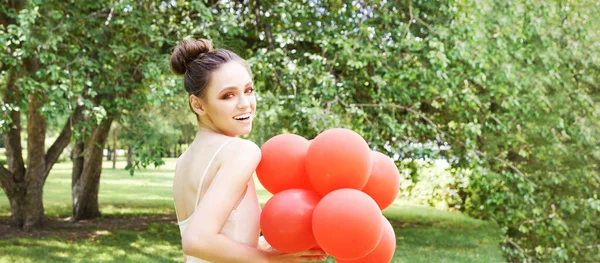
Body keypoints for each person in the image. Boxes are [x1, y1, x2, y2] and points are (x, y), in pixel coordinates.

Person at [170, 38, 328, 263]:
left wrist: (269, 247)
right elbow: (197, 241)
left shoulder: (184, 160)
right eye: (228, 95)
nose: (245, 103)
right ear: (198, 105)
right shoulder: (240, 151)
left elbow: (214, 244)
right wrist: (271, 261)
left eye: (248, 90)